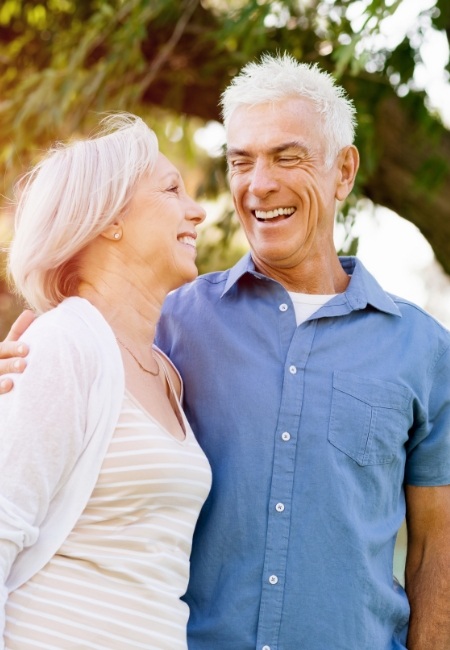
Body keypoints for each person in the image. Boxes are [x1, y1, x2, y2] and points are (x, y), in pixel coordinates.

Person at [2, 54, 450, 650]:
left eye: (286, 157)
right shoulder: (170, 322)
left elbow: (436, 549)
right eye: (242, 161)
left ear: (343, 172)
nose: (258, 184)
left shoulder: (422, 348)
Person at [0, 112, 211, 649]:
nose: (198, 211)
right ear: (109, 218)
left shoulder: (165, 373)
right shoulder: (63, 345)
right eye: (171, 190)